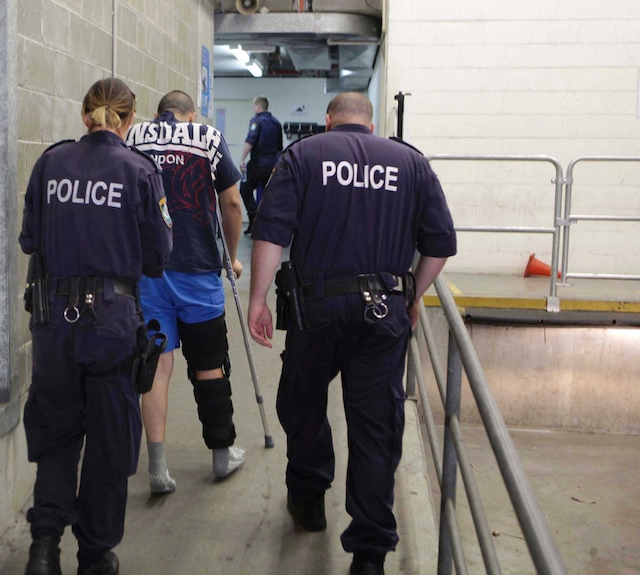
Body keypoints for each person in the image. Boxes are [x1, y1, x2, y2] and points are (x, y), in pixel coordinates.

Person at [246, 92, 456, 575]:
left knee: (302, 402)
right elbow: (441, 244)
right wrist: (412, 295)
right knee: (375, 426)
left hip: (314, 308)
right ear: (372, 122)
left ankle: (309, 496)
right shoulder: (410, 162)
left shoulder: (303, 155)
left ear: (328, 120)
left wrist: (257, 300)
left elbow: (271, 233)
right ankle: (369, 552)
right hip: (383, 310)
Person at [19, 78, 173, 575]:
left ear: (84, 115)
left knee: (58, 435)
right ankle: (95, 555)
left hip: (52, 325)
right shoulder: (139, 171)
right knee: (110, 443)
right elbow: (157, 257)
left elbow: (30, 240)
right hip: (110, 324)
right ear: (128, 121)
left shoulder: (50, 164)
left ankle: (44, 548)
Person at [127, 90, 247, 495]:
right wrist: (231, 257)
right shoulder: (208, 137)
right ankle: (220, 453)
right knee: (209, 363)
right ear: (191, 114)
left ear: (157, 112)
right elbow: (231, 203)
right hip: (197, 269)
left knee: (156, 366)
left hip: (149, 271)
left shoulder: (135, 136)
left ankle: (158, 469)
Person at [239, 96, 283, 234]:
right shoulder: (276, 123)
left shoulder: (256, 121)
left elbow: (250, 141)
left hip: (258, 163)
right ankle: (266, 225)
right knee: (268, 194)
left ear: (258, 107)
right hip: (272, 164)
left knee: (245, 189)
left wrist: (242, 159)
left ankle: (253, 220)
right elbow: (279, 147)